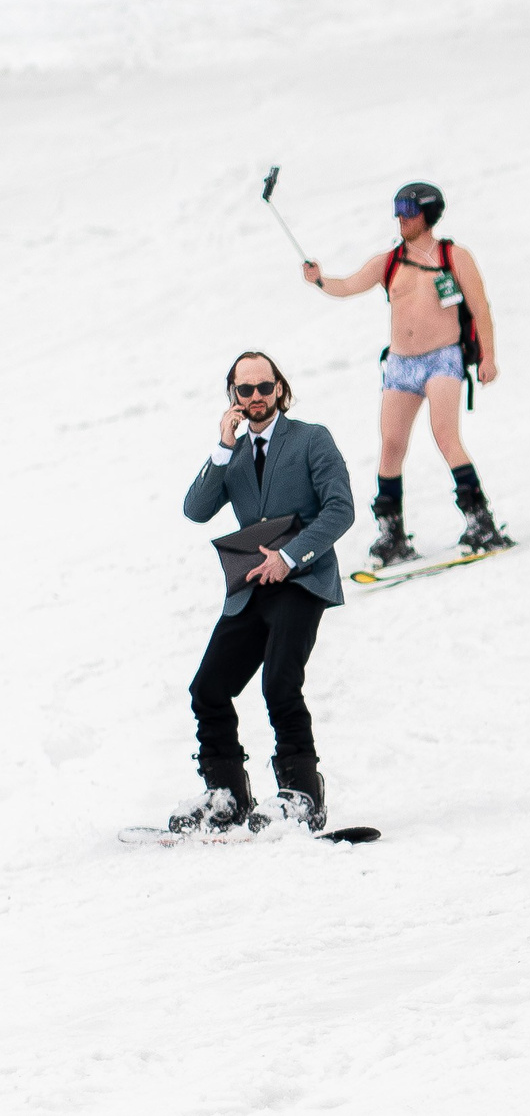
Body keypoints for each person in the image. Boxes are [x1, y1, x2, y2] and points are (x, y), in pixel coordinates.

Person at [170, 353, 354, 833]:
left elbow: (340, 509)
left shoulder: (311, 438)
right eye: (245, 389)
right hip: (251, 588)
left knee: (279, 682)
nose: (256, 397)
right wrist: (221, 447)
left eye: (264, 387)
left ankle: (302, 793)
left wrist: (289, 557)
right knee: (208, 688)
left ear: (280, 389)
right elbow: (195, 510)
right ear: (233, 394)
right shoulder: (231, 454)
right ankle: (226, 795)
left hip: (301, 582)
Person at [303, 182, 506, 565]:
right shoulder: (390, 261)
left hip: (442, 359)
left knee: (445, 437)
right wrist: (320, 279)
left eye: (408, 211)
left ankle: (481, 523)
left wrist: (488, 358)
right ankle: (391, 534)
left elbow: (481, 308)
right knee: (391, 445)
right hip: (400, 365)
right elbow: (348, 285)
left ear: (427, 214)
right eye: (398, 210)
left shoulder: (454, 256)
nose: (400, 218)